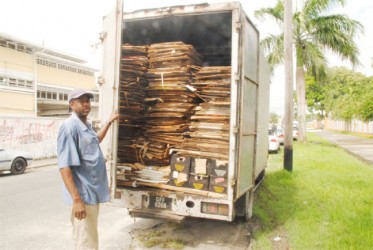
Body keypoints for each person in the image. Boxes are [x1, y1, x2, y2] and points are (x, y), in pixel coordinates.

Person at [57, 88, 119, 250]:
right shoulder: (70, 127)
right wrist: (77, 201)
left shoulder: (86, 125)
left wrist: (109, 122)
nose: (86, 104)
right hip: (83, 196)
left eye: (88, 100)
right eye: (81, 101)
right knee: (86, 242)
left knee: (89, 238)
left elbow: (95, 140)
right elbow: (64, 166)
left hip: (91, 194)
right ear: (71, 104)